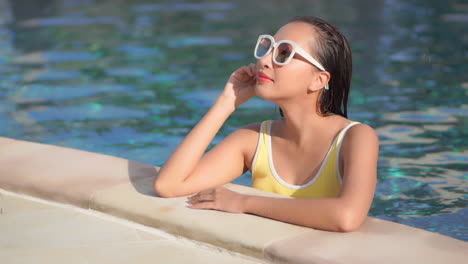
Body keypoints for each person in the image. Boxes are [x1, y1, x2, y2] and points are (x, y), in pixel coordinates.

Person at [154, 16, 379, 232]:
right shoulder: (253, 140)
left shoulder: (355, 138)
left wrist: (245, 203)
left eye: (284, 53)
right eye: (268, 48)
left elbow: (346, 216)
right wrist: (227, 102)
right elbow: (169, 185)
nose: (263, 61)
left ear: (318, 80)